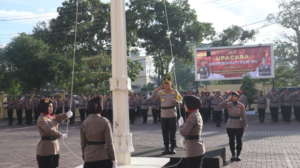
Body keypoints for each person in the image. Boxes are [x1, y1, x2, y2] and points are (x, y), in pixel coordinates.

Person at [80, 96, 117, 168]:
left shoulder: (84, 123)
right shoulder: (104, 121)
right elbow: (109, 143)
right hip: (103, 156)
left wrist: (84, 155)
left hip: (89, 157)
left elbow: (83, 143)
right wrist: (113, 159)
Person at [36, 98, 73, 168]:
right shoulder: (42, 118)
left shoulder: (51, 117)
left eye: (52, 106)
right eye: (49, 106)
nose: (51, 108)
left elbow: (59, 117)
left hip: (54, 148)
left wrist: (66, 115)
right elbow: (49, 130)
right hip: (46, 148)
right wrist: (60, 135)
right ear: (44, 107)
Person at [151, 77, 183, 154]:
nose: (167, 85)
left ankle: (172, 148)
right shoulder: (161, 93)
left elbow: (181, 100)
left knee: (172, 131)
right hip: (163, 115)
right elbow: (152, 98)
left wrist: (177, 101)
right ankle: (166, 147)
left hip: (172, 114)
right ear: (163, 85)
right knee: (165, 131)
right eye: (165, 84)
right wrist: (156, 90)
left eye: (168, 83)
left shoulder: (175, 92)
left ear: (171, 84)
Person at [217, 91, 248, 162]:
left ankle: (238, 155)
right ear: (231, 97)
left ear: (237, 97)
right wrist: (226, 100)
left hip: (239, 125)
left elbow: (244, 116)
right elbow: (219, 106)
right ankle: (233, 155)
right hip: (230, 124)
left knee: (239, 141)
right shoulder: (228, 104)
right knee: (231, 141)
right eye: (233, 97)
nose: (234, 98)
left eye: (235, 97)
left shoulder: (241, 105)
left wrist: (245, 125)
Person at [178, 95, 205, 168]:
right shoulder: (195, 113)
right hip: (195, 147)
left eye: (185, 104)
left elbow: (183, 132)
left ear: (189, 105)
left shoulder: (193, 116)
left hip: (194, 149)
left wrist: (180, 125)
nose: (184, 106)